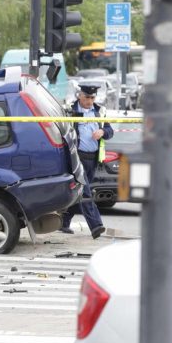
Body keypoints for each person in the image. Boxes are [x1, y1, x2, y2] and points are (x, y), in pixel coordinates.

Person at [59, 84, 113, 239]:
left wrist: (103, 131)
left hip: (93, 158)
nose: (90, 101)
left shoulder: (99, 111)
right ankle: (96, 226)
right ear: (79, 96)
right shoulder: (70, 110)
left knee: (80, 191)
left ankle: (63, 222)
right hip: (77, 157)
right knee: (86, 192)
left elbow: (110, 131)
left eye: (92, 98)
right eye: (87, 97)